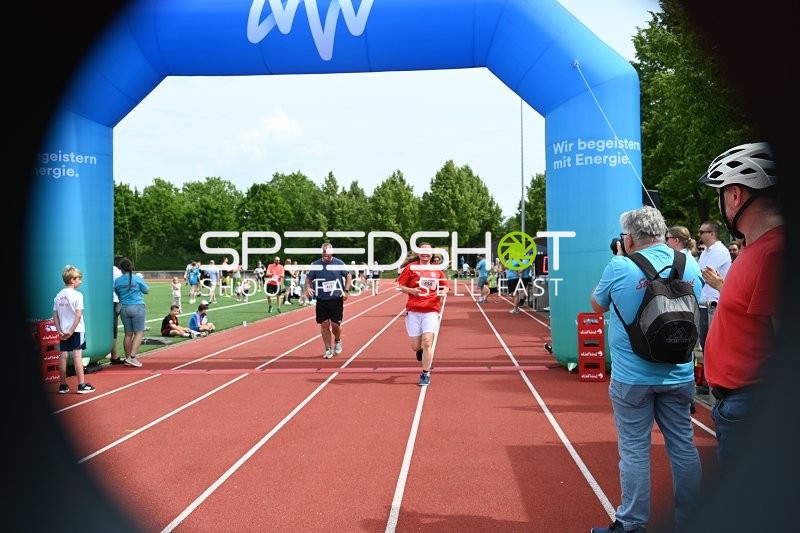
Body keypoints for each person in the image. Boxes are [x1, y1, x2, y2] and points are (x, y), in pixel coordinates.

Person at [589, 206, 702, 533]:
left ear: (630, 237)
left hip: (632, 377)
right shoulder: (688, 262)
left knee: (635, 451)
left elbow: (597, 305)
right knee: (683, 446)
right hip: (680, 372)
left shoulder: (620, 265)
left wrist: (620, 257)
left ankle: (631, 523)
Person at [699, 142, 783, 471]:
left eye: (720, 194)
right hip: (737, 404)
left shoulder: (773, 253)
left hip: (750, 406)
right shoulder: (755, 249)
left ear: (734, 195)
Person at [397, 243, 449, 386]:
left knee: (427, 342)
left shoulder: (437, 270)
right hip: (414, 311)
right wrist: (412, 291)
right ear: (419, 253)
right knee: (415, 346)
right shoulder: (411, 268)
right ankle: (419, 350)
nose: (425, 254)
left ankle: (425, 373)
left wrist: (441, 292)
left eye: (428, 252)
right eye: (423, 252)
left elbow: (446, 287)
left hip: (431, 310)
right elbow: (401, 286)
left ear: (431, 254)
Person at [304, 242, 352, 358]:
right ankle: (328, 349)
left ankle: (337, 340)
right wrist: (308, 287)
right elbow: (308, 278)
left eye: (328, 252)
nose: (325, 254)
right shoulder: (316, 265)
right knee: (324, 324)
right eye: (324, 251)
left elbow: (348, 276)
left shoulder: (339, 263)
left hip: (336, 299)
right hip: (322, 299)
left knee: (336, 325)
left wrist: (346, 291)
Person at [52, 265, 95, 394]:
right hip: (76, 330)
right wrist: (71, 330)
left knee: (63, 356)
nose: (80, 281)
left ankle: (63, 385)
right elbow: (78, 315)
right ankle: (81, 385)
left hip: (63, 330)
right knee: (77, 356)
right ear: (72, 279)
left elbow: (55, 315)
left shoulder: (58, 296)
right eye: (78, 279)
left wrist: (60, 330)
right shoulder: (78, 295)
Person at [696, 220, 731, 356]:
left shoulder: (720, 251)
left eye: (702, 232)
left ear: (712, 233)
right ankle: (707, 374)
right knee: (704, 341)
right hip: (704, 302)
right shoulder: (706, 251)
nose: (699, 235)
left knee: (712, 344)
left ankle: (712, 375)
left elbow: (704, 273)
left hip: (713, 303)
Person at [113, 257, 149, 368]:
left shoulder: (117, 281)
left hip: (124, 307)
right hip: (137, 306)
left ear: (121, 269)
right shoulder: (136, 278)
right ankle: (132, 357)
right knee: (139, 332)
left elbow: (117, 293)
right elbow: (146, 290)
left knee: (128, 334)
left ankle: (128, 357)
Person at [108, 261, 124, 365]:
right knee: (113, 328)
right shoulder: (114, 269)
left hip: (98, 301)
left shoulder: (95, 266)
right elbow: (119, 284)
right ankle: (114, 355)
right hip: (113, 300)